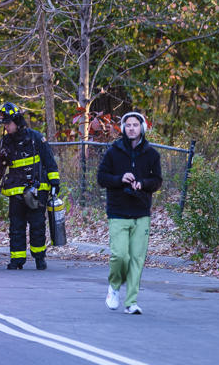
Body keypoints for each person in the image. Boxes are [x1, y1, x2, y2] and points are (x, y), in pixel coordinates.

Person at [0, 102, 61, 270]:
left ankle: (39, 258)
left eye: (8, 124)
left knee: (37, 226)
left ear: (17, 121)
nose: (6, 128)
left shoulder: (36, 139)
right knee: (16, 227)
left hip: (38, 191)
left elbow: (50, 162)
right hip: (16, 192)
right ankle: (17, 260)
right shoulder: (4, 144)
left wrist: (54, 183)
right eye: (4, 124)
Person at [97, 112, 162, 315]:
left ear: (142, 128)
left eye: (135, 125)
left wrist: (143, 184)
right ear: (123, 128)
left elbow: (157, 181)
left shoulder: (152, 154)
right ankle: (114, 287)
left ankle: (131, 301)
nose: (131, 128)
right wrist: (120, 179)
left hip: (141, 212)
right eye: (128, 125)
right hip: (118, 211)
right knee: (120, 256)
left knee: (137, 259)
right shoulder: (113, 152)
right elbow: (101, 178)